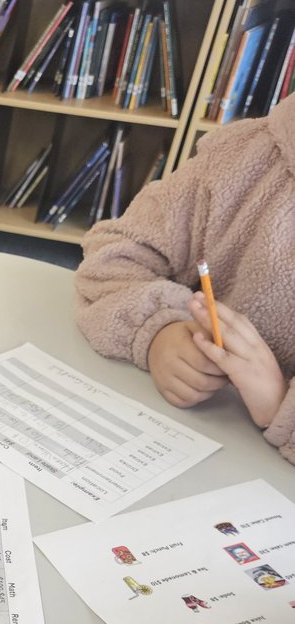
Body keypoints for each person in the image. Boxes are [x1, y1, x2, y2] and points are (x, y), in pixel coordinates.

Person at [74, 93, 295, 465]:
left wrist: (278, 405)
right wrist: (158, 330)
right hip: (178, 441)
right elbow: (113, 257)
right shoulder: (243, 155)